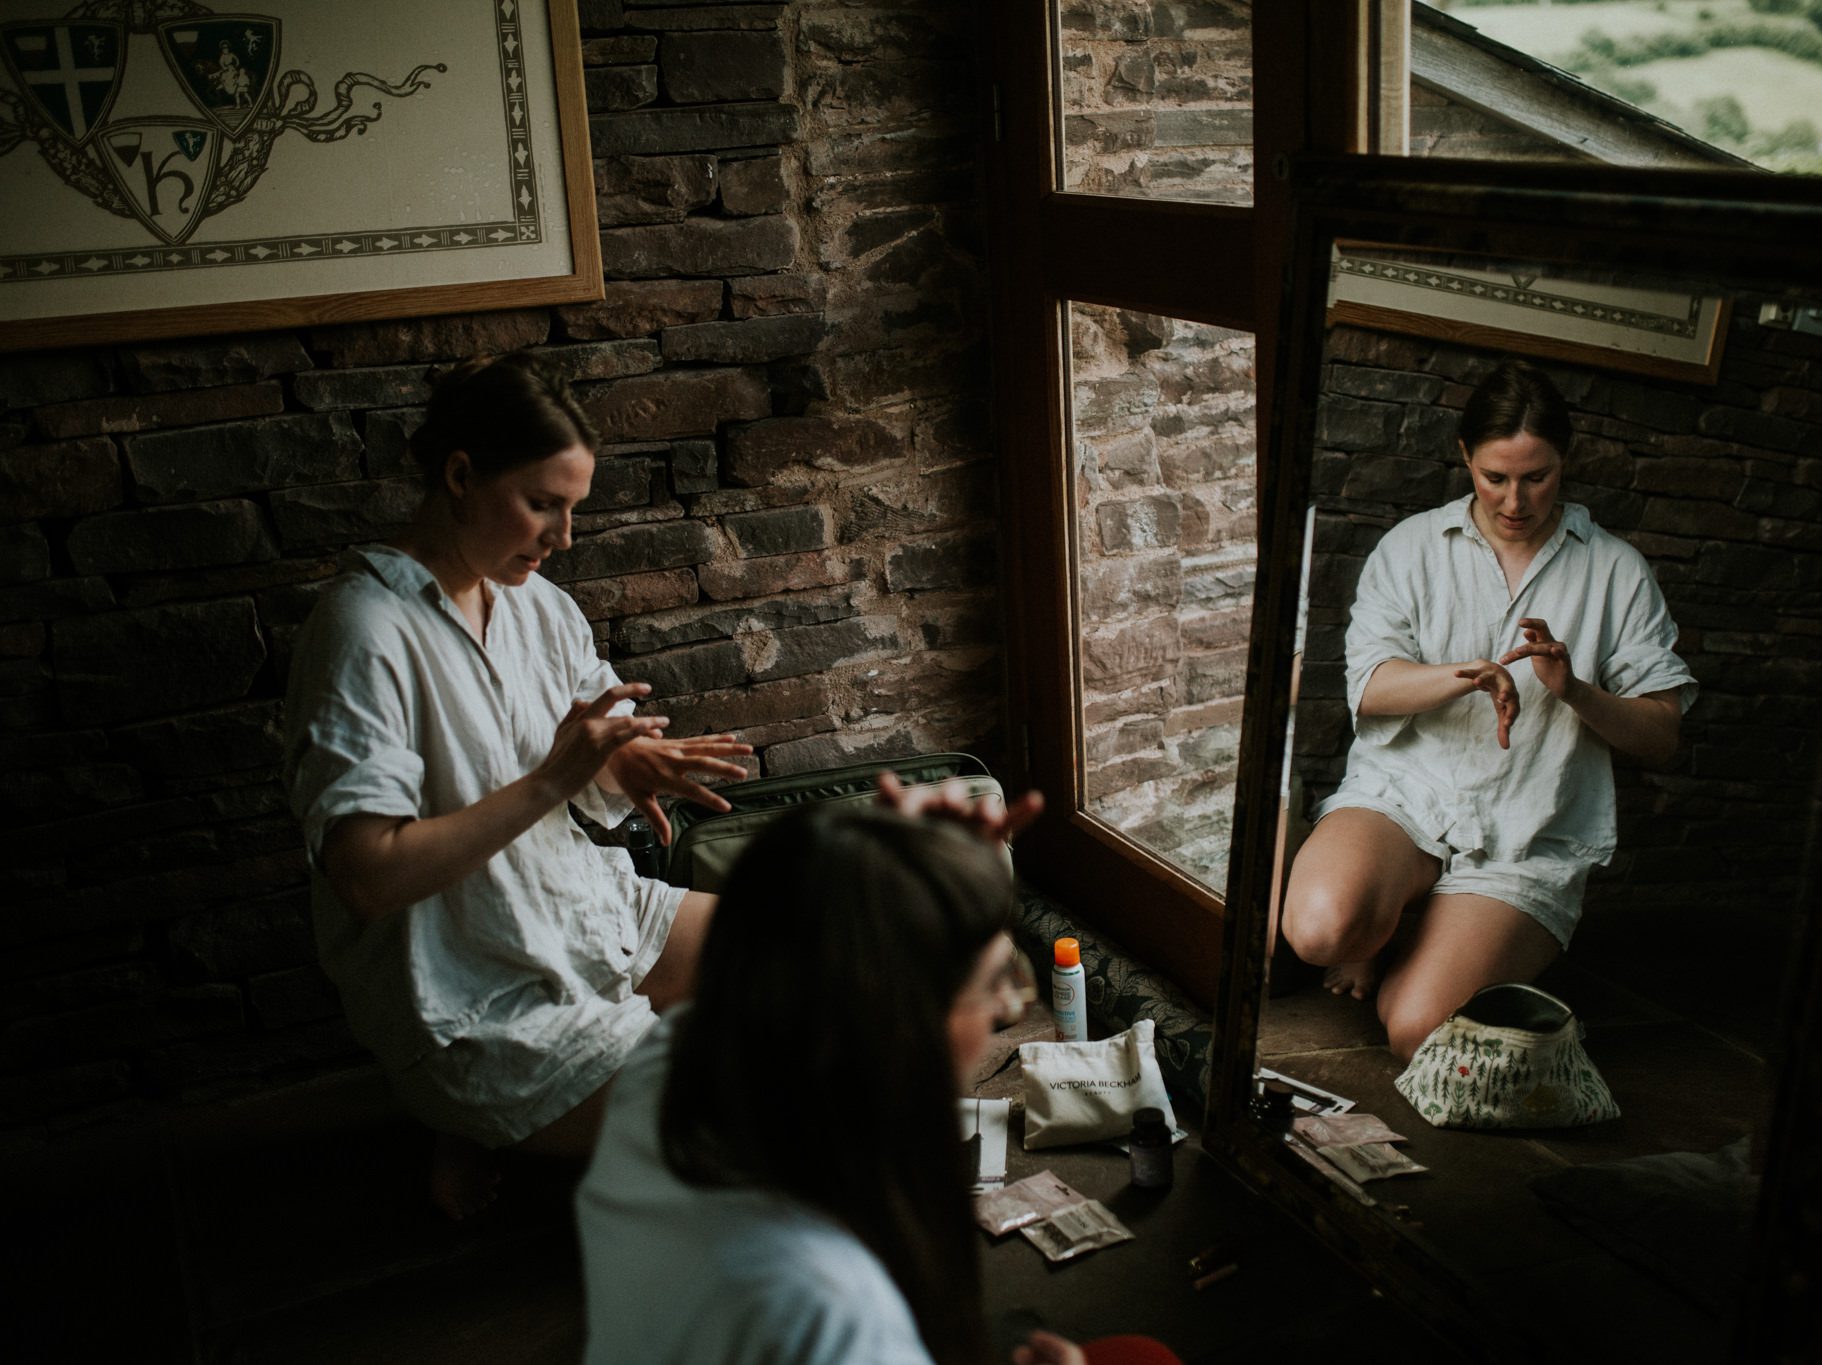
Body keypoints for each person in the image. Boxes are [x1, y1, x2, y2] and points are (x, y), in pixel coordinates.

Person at [282, 353, 753, 1216]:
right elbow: (365, 875)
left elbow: (579, 755)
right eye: (543, 504)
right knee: (745, 1113)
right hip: (471, 985)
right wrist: (549, 782)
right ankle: (474, 1108)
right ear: (460, 475)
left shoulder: (535, 605)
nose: (563, 536)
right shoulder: (364, 631)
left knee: (812, 947)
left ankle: (526, 1121)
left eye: (572, 509)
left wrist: (623, 763)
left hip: (573, 906)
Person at [576, 805, 1173, 1365]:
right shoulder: (830, 1312)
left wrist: (917, 876)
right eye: (995, 980)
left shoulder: (674, 1059)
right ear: (902, 1022)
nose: (1008, 1010)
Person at [1279, 358, 1697, 1061]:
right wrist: (1465, 675)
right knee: (1321, 930)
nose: (1514, 500)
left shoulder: (1616, 569)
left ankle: (1413, 933)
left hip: (1524, 836)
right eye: (1495, 476)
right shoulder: (1412, 547)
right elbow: (1371, 688)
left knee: (1414, 1027)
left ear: (1565, 462)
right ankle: (1385, 916)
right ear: (1465, 455)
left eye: (1537, 476)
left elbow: (1663, 738)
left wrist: (1574, 691)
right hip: (1402, 798)